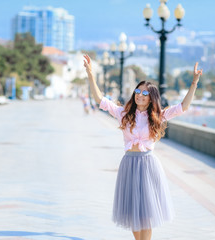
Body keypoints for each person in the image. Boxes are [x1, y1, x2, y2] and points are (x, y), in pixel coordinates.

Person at [83, 55, 203, 240]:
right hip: (128, 165)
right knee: (132, 213)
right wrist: (90, 74)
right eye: (138, 92)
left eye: (145, 93)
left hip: (147, 165)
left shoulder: (158, 116)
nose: (140, 95)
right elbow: (100, 99)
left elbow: (183, 107)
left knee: (146, 213)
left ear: (151, 97)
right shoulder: (123, 114)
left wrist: (194, 82)